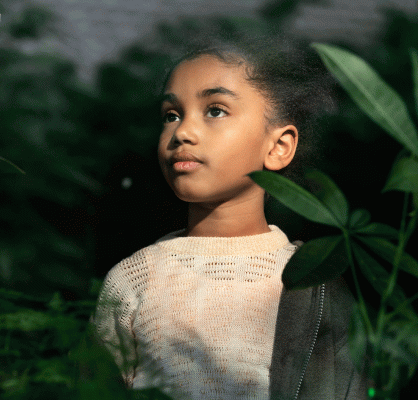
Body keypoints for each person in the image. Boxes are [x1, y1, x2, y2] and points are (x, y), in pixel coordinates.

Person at [93, 32, 366, 400]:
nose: (183, 132)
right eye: (171, 115)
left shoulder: (311, 284)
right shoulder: (133, 281)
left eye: (215, 110)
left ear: (279, 146)